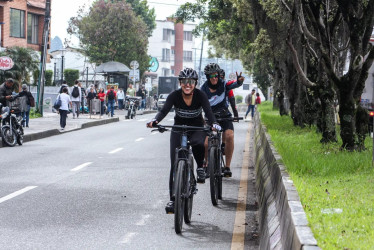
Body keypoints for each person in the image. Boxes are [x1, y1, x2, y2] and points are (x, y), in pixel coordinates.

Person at [146, 68, 220, 214]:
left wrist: (214, 123)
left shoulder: (201, 95)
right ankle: (173, 200)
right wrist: (155, 120)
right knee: (174, 165)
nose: (188, 85)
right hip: (178, 129)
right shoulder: (174, 95)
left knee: (199, 143)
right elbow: (163, 111)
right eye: (185, 82)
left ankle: (200, 166)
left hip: (196, 127)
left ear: (195, 83)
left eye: (191, 82)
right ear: (180, 83)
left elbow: (209, 113)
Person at [200, 63, 244, 178]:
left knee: (229, 136)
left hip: (224, 116)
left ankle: (227, 166)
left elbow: (233, 84)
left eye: (216, 75)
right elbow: (198, 105)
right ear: (207, 77)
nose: (214, 78)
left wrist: (239, 82)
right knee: (205, 144)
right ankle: (207, 164)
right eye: (211, 76)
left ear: (219, 75)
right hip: (210, 118)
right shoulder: (203, 89)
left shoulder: (224, 84)